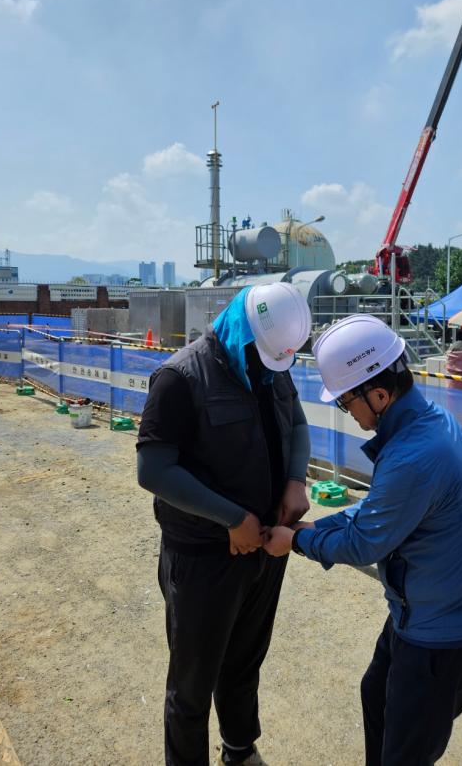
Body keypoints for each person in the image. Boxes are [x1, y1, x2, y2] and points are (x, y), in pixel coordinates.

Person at [264, 314, 462, 766]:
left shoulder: (414, 456)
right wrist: (318, 527)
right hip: (421, 616)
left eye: (347, 403)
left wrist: (293, 543)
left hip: (440, 638)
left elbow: (366, 544)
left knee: (404, 753)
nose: (349, 413)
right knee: (377, 696)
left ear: (380, 393)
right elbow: (382, 512)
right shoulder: (427, 424)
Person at [136, 282, 312, 766]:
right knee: (192, 684)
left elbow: (296, 424)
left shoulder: (272, 366)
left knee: (244, 661)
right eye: (263, 356)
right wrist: (232, 518)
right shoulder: (179, 378)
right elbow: (153, 470)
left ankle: (239, 749)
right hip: (203, 559)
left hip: (261, 551)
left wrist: (296, 481)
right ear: (240, 327)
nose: (268, 368)